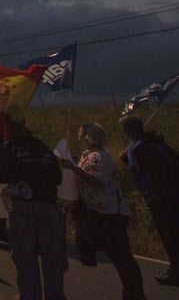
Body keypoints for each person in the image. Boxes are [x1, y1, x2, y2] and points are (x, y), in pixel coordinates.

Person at [119, 115, 179, 297]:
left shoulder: (149, 148)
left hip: (165, 199)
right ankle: (178, 272)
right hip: (158, 199)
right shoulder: (145, 145)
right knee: (169, 237)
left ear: (129, 131)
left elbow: (160, 174)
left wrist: (157, 194)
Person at [62, 122, 145, 300]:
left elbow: (98, 182)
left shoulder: (98, 157)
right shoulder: (89, 156)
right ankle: (132, 292)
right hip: (98, 212)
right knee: (117, 255)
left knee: (121, 257)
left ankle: (134, 293)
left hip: (109, 214)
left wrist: (72, 168)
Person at [0, 121, 65, 300]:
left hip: (23, 208)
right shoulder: (42, 146)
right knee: (52, 259)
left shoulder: (9, 147)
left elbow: (2, 174)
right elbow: (57, 177)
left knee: (26, 258)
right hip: (48, 204)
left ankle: (29, 296)